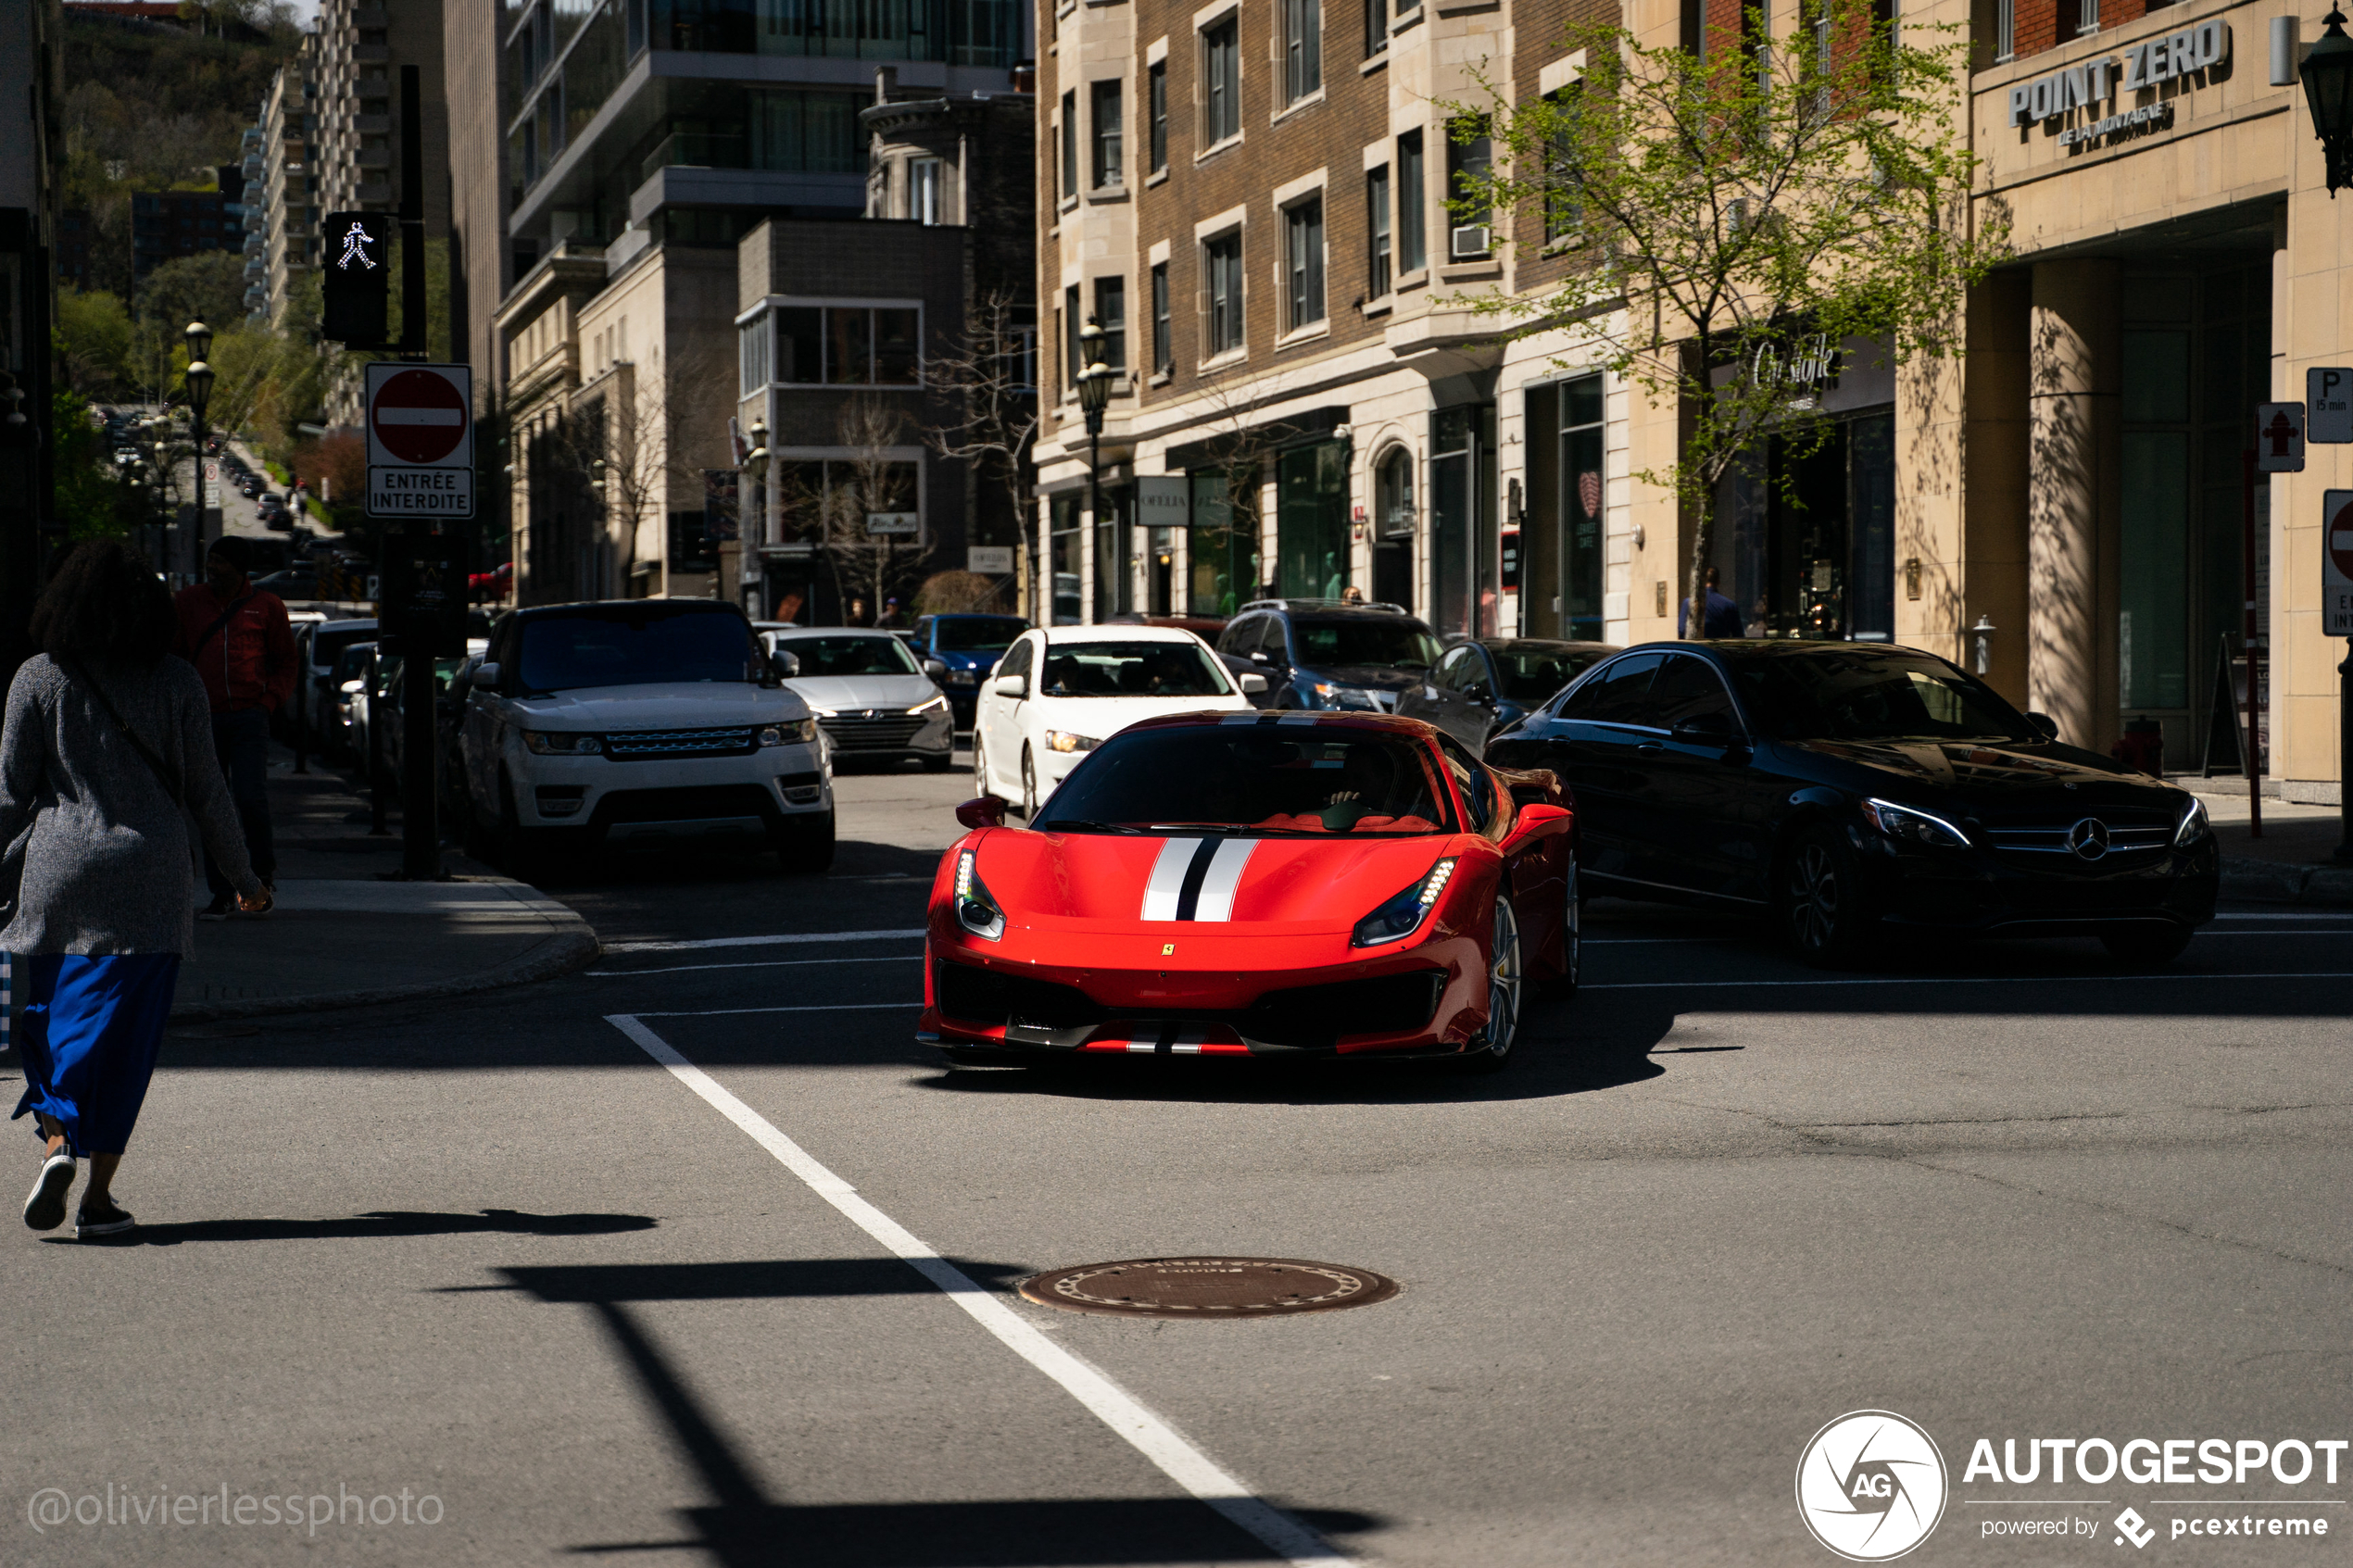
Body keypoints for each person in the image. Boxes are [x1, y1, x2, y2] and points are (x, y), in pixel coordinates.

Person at [7, 542, 271, 1239]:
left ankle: (58, 1143)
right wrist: (243, 879)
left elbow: (10, 792)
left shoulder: (38, 677)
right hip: (152, 876)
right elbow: (210, 794)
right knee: (129, 1039)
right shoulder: (179, 682)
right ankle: (97, 1199)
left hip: (59, 873)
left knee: (50, 1016)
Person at [171, 536, 293, 918]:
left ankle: (260, 876)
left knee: (250, 797)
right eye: (211, 560)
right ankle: (222, 890)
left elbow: (286, 662)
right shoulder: (188, 603)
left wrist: (268, 701)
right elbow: (173, 654)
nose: (214, 568)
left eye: (222, 562)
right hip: (204, 717)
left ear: (241, 568)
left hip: (248, 716)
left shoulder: (267, 607)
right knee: (212, 804)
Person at [1678, 566, 1744, 640]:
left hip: (1695, 648)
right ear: (1718, 581)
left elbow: (1681, 630)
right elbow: (1738, 634)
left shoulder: (1688, 603)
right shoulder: (1729, 605)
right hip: (1718, 649)